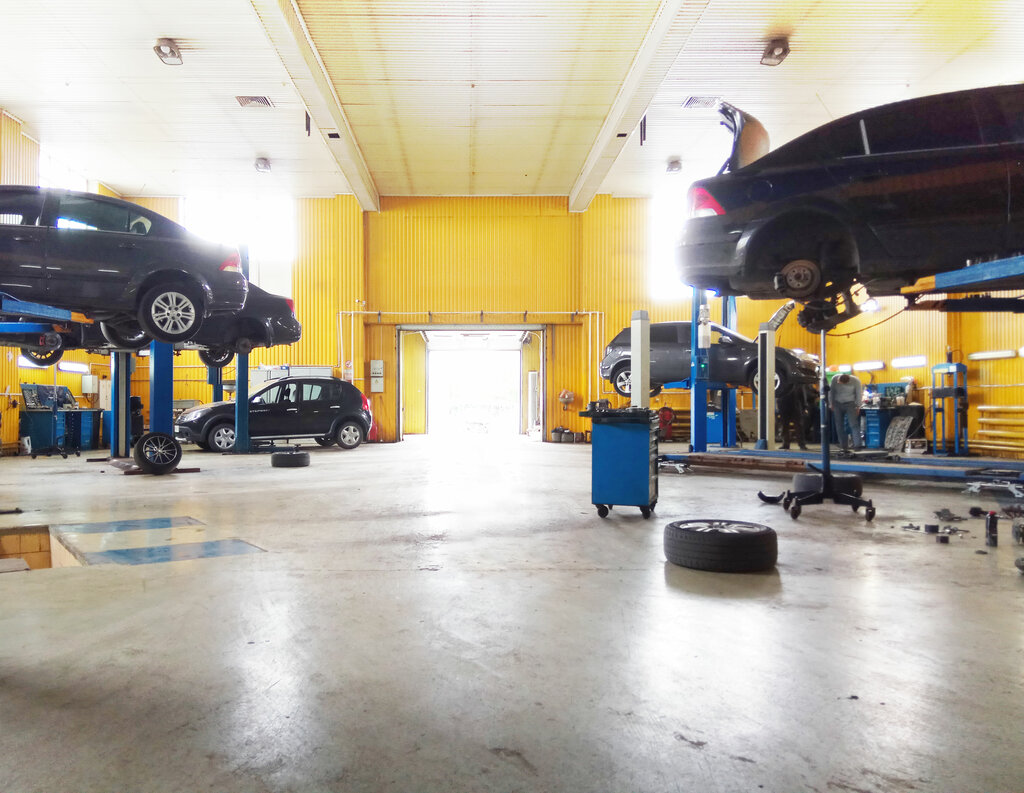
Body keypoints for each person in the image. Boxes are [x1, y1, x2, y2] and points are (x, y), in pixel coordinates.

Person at [828, 373, 863, 451]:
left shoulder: (856, 381)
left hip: (850, 404)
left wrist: (858, 406)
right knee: (839, 425)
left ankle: (857, 445)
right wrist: (831, 404)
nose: (838, 383)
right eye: (838, 381)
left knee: (853, 424)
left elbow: (858, 394)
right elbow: (831, 392)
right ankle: (843, 446)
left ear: (847, 382)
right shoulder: (834, 378)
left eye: (840, 382)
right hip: (837, 404)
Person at [779, 384, 811, 450]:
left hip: (792, 406)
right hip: (788, 406)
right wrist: (804, 406)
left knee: (795, 426)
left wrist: (804, 406)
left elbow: (802, 395)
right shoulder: (797, 383)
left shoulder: (795, 383)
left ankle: (798, 444)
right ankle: (792, 444)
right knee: (790, 426)